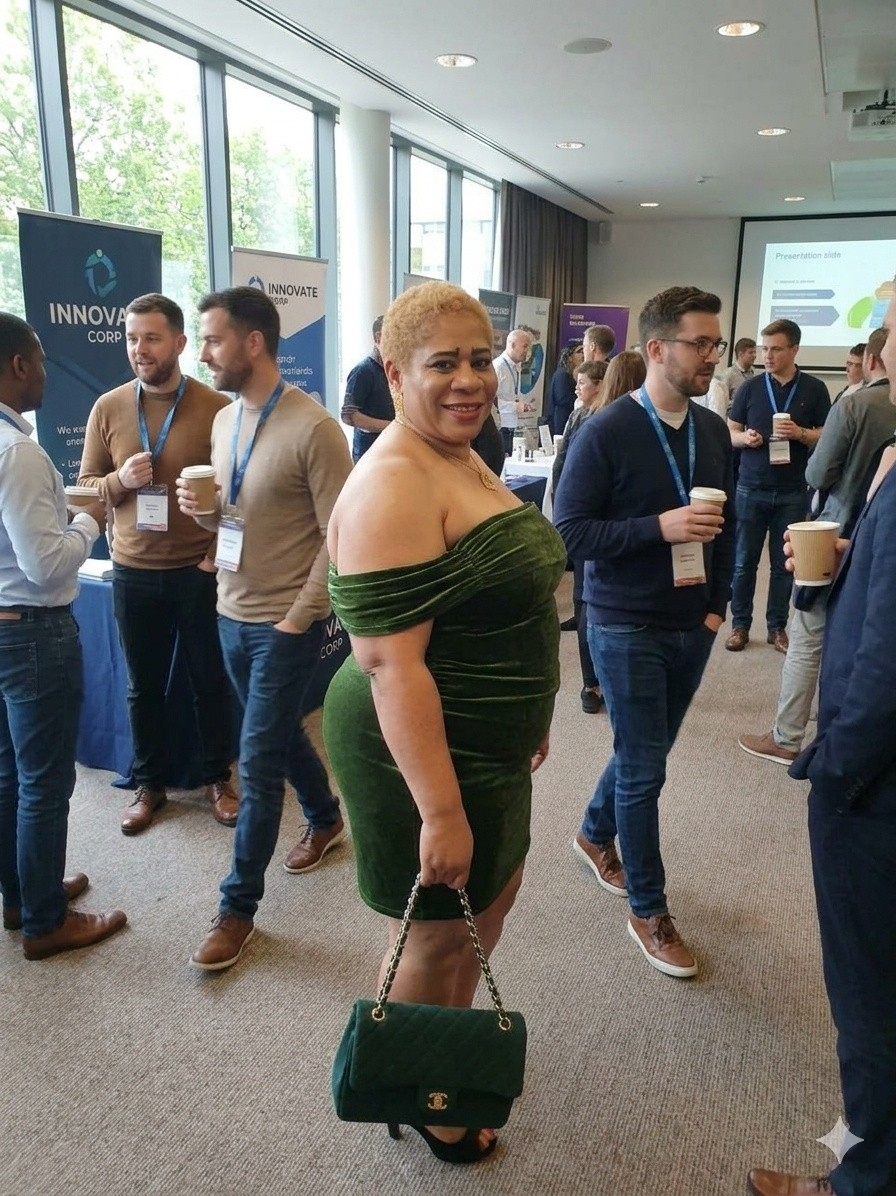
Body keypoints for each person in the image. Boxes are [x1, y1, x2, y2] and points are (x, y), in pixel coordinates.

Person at [322, 281, 565, 1163]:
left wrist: (528, 711)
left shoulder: (458, 452)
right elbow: (392, 665)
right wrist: (441, 811)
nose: (471, 380)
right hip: (417, 752)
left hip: (485, 740)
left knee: (483, 910)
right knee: (432, 929)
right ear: (394, 373)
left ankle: (444, 1052)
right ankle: (423, 1096)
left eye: (479, 359)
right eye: (443, 364)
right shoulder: (392, 482)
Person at [747, 290, 896, 1196]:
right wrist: (859, 556)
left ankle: (865, 1179)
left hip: (874, 789)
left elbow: (885, 664)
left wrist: (832, 771)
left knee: (869, 987)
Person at [554, 286, 735, 979]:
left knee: (645, 750)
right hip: (624, 620)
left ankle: (593, 832)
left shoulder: (711, 430)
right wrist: (658, 528)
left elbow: (730, 526)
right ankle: (649, 909)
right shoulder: (606, 431)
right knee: (645, 767)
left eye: (716, 344)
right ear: (657, 349)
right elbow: (571, 532)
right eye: (700, 344)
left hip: (692, 620)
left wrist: (717, 608)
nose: (711, 356)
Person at [177, 286, 352, 972]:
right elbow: (233, 519)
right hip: (230, 611)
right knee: (273, 733)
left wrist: (298, 616)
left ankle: (237, 908)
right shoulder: (225, 421)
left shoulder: (315, 428)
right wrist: (204, 513)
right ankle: (326, 816)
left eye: (213, 339)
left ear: (253, 342)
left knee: (255, 762)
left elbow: (339, 537)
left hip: (285, 624)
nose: (203, 354)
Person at [79, 293, 237, 836]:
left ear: (179, 343)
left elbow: (238, 494)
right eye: (131, 338)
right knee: (142, 686)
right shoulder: (108, 407)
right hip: (132, 571)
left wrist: (215, 557)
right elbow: (86, 490)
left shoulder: (216, 409)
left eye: (151, 338)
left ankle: (217, 778)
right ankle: (149, 784)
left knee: (208, 681)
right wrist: (120, 481)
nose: (139, 349)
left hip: (196, 571)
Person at [0, 312, 127, 960]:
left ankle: (24, 895)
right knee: (45, 784)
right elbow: (46, 564)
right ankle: (46, 922)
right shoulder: (18, 452)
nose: (46, 373)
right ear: (19, 364)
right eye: (42, 361)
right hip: (32, 634)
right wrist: (88, 520)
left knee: (8, 775)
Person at [739, 326, 893, 765]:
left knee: (807, 634)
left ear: (870, 360)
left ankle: (787, 737)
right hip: (882, 540)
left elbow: (816, 474)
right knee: (859, 639)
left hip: (833, 533)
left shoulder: (854, 404)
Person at [726, 318, 830, 654]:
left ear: (794, 349)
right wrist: (745, 438)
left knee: (784, 566)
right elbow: (730, 430)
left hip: (793, 490)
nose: (767, 356)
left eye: (776, 349)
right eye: (764, 349)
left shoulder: (815, 388)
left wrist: (800, 433)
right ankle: (740, 625)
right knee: (743, 563)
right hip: (750, 487)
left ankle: (777, 627)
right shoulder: (751, 388)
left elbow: (826, 435)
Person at [555, 353, 647, 712]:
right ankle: (613, 682)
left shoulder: (587, 417)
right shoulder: (645, 423)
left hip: (589, 527)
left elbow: (562, 468)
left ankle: (591, 684)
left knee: (586, 604)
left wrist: (563, 512)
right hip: (629, 530)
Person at [340, 315, 393, 462]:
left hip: (392, 450)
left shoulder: (396, 370)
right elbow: (348, 415)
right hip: (368, 455)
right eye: (394, 336)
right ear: (378, 338)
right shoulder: (363, 371)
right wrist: (391, 427)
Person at [493, 328, 534, 455]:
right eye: (525, 346)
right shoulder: (498, 366)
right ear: (512, 345)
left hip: (511, 425)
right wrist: (515, 406)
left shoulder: (516, 366)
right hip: (500, 426)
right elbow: (492, 401)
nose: (527, 351)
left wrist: (520, 405)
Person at [545, 340, 583, 437]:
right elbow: (562, 398)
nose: (583, 355)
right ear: (569, 357)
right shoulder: (562, 374)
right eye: (579, 352)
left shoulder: (575, 373)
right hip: (560, 422)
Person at [718, 337, 757, 412]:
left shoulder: (754, 373)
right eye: (751, 352)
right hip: (733, 416)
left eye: (755, 352)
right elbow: (722, 402)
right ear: (740, 354)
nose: (754, 355)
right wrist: (741, 402)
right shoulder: (728, 374)